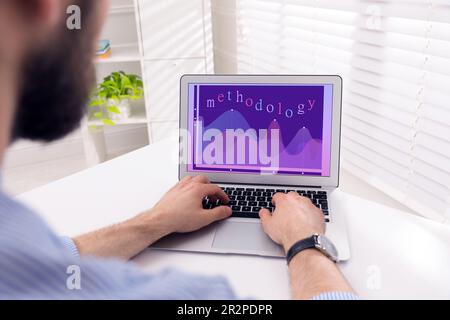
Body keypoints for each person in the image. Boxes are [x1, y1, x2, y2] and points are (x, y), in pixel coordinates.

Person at [0, 0, 357, 300]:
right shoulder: (185, 297)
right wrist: (304, 243)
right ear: (45, 6)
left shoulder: (15, 250)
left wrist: (155, 221)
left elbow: (54, 259)